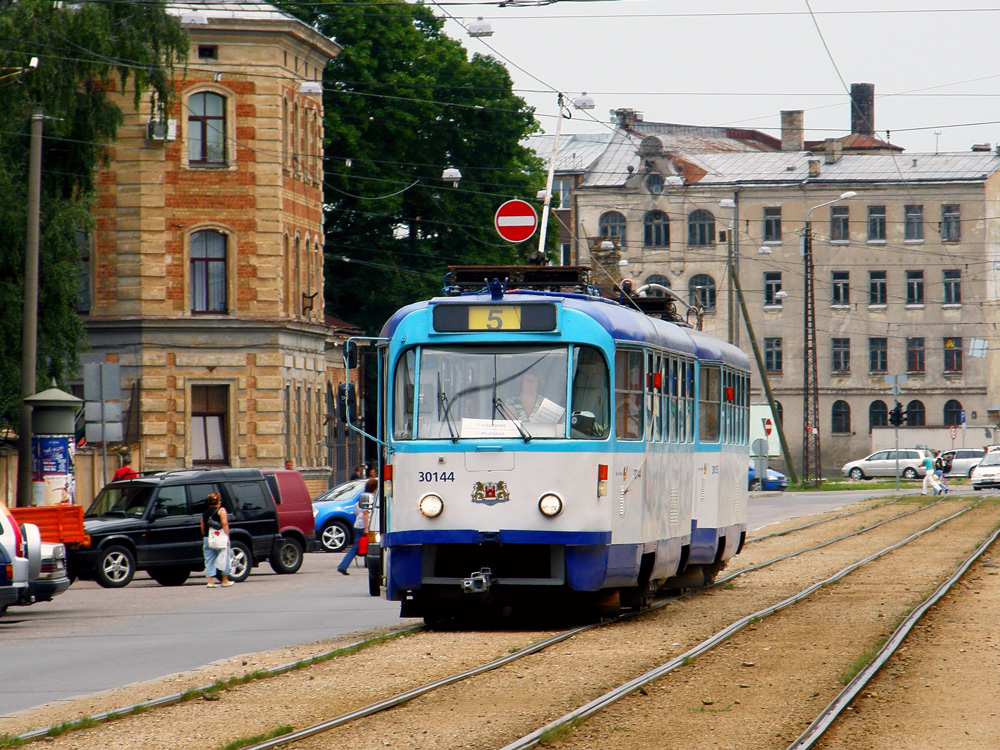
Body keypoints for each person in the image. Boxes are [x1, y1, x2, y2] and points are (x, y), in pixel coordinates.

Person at [337, 478, 374, 575]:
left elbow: (356, 512)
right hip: (365, 526)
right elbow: (366, 513)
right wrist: (367, 527)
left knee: (355, 547)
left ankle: (343, 566)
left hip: (358, 524)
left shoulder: (361, 497)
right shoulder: (370, 497)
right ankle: (370, 567)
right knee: (371, 546)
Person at [201, 492, 233, 587]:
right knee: (224, 557)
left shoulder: (205, 513)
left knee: (209, 559)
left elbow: (202, 526)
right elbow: (224, 523)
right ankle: (225, 580)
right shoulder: (221, 510)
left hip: (208, 538)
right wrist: (227, 536)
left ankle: (210, 581)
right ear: (219, 501)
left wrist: (204, 535)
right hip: (220, 538)